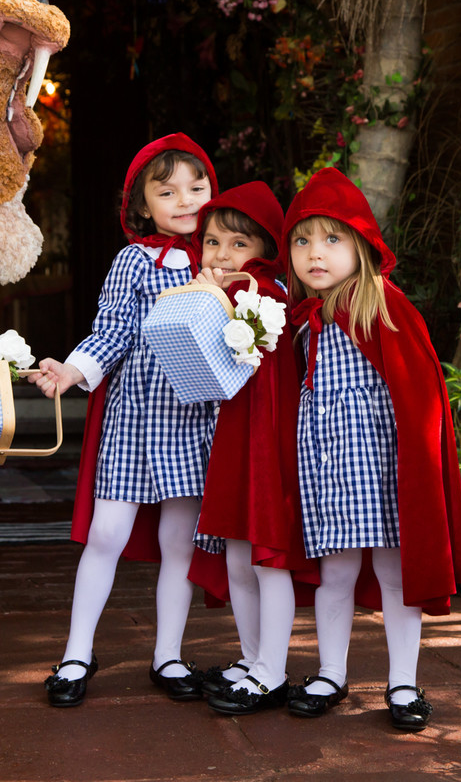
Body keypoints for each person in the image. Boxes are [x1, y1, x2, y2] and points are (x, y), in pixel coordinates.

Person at [280, 167, 461, 731]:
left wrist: (415, 469)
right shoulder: (300, 320)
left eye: (331, 239)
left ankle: (404, 682)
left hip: (381, 469)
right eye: (301, 241)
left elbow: (419, 397)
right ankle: (330, 673)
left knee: (394, 573)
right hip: (325, 466)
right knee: (335, 573)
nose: (315, 253)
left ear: (362, 245)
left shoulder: (382, 304)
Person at [31, 133, 217, 707]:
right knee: (107, 533)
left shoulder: (223, 260)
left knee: (179, 541)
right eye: (168, 192)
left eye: (196, 187)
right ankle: (76, 654)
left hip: (196, 418)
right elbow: (112, 330)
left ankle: (169, 655)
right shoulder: (135, 260)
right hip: (136, 416)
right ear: (142, 205)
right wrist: (72, 371)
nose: (184, 200)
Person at [182, 182, 315, 716]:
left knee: (266, 559)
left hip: (266, 443)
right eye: (213, 242)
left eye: (239, 244)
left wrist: (225, 291)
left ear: (265, 249)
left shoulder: (269, 293)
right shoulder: (215, 292)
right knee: (239, 557)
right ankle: (254, 656)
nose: (222, 254)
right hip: (233, 440)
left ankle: (272, 671)